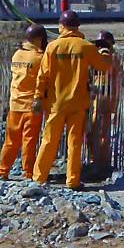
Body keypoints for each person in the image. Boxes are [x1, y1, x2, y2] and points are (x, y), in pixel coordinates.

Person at [31, 10, 112, 189]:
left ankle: (39, 177)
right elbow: (104, 66)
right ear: (77, 26)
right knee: (75, 142)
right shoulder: (86, 46)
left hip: (56, 103)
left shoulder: (52, 47)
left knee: (49, 139)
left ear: (62, 26)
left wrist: (37, 97)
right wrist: (106, 52)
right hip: (78, 102)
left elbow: (42, 76)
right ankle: (73, 180)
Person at [0, 24, 47, 180]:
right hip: (31, 105)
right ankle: (29, 172)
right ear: (39, 39)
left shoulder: (17, 55)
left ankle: (3, 171)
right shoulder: (40, 57)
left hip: (14, 104)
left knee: (11, 141)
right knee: (29, 141)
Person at [87, 30, 119, 178]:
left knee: (99, 132)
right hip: (101, 97)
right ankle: (99, 161)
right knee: (96, 132)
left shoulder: (105, 56)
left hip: (103, 97)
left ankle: (100, 163)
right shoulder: (106, 56)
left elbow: (106, 80)